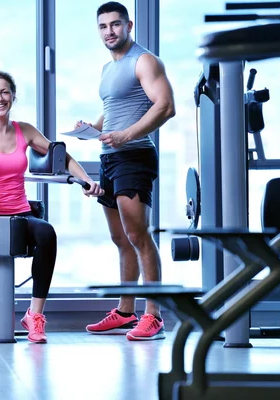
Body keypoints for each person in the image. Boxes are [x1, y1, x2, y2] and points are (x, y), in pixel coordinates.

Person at [0, 70, 104, 345]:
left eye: (4, 92)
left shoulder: (24, 130)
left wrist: (86, 179)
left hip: (19, 210)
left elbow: (61, 157)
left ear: (13, 96)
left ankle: (34, 315)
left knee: (47, 233)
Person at [80, 2, 176, 341]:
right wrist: (92, 127)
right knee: (120, 239)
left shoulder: (145, 60)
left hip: (134, 155)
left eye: (116, 25)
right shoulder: (109, 68)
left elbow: (166, 106)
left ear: (129, 25)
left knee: (138, 236)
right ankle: (124, 312)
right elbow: (115, 109)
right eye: (103, 26)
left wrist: (127, 135)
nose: (109, 31)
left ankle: (155, 315)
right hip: (110, 157)